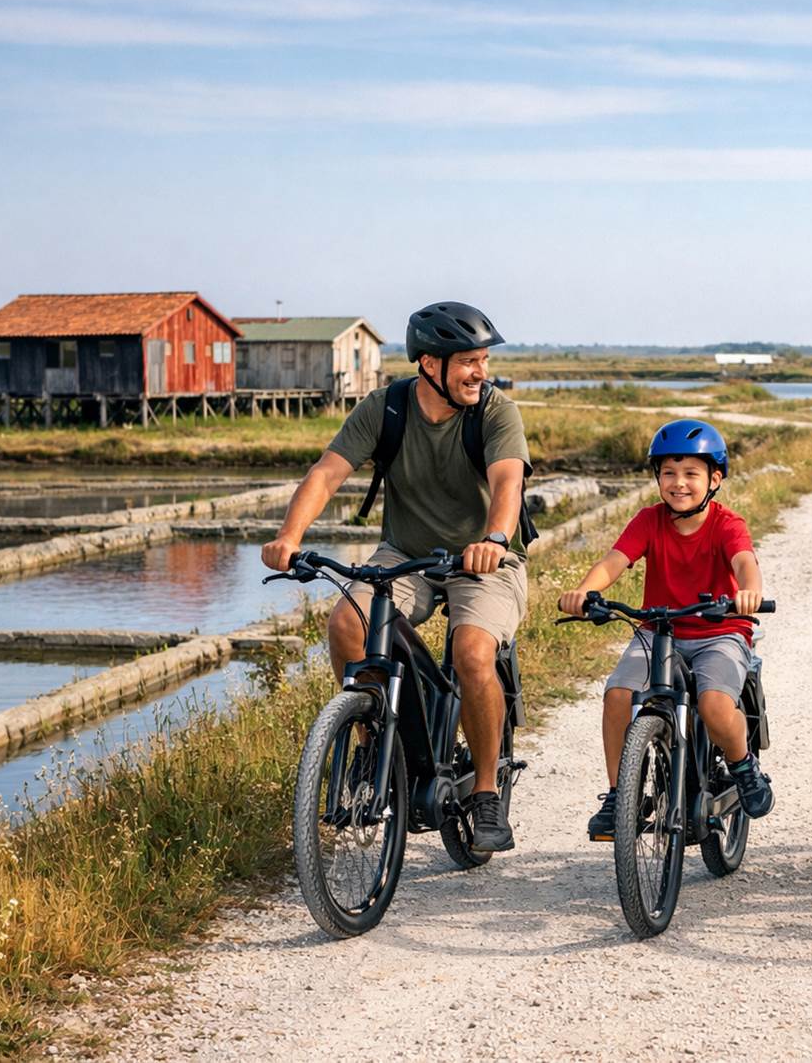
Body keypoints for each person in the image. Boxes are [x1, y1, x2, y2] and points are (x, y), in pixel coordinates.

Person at [262, 301, 530, 853]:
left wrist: (495, 540)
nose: (480, 372)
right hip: (405, 553)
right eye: (468, 362)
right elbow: (327, 472)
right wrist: (289, 538)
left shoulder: (495, 412)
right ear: (430, 364)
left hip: (484, 558)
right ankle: (374, 739)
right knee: (346, 625)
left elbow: (508, 486)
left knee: (473, 651)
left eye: (483, 360)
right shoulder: (385, 409)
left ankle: (483, 793)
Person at [558, 420, 774, 840]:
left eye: (691, 474)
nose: (679, 484)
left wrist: (749, 592)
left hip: (719, 630)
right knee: (619, 693)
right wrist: (585, 590)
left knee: (713, 704)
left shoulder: (726, 524)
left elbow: (744, 561)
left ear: (714, 479)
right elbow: (614, 561)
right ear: (657, 477)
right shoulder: (649, 520)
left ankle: (742, 765)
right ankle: (621, 796)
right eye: (669, 473)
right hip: (659, 632)